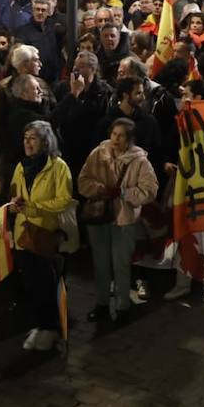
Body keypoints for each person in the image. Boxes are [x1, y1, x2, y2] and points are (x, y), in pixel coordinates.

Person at [77, 119, 158, 323]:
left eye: (121, 135)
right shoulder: (98, 154)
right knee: (101, 263)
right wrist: (100, 189)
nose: (116, 139)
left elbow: (149, 191)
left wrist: (124, 193)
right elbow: (83, 181)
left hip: (124, 219)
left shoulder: (139, 161)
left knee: (121, 264)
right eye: (114, 134)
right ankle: (102, 304)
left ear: (130, 139)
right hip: (99, 217)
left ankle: (123, 307)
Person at [9, 120, 74, 351]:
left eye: (33, 138)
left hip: (46, 235)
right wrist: (15, 204)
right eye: (25, 138)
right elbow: (16, 193)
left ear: (45, 141)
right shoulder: (21, 166)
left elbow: (64, 199)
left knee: (47, 283)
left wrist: (34, 208)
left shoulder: (59, 167)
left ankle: (51, 328)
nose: (27, 142)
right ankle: (39, 325)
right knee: (31, 283)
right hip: (23, 234)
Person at [52, 51, 114, 179]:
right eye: (75, 65)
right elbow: (55, 115)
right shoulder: (62, 88)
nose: (75, 69)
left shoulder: (105, 92)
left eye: (81, 66)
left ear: (93, 69)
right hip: (67, 147)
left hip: (92, 147)